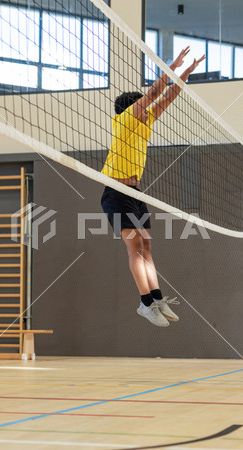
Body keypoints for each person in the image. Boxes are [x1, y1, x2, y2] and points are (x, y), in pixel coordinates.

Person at [101, 47, 206, 327]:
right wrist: (171, 66)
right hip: (115, 191)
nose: (149, 111)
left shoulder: (143, 125)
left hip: (134, 193)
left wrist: (186, 73)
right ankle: (145, 304)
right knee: (135, 247)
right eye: (143, 108)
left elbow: (168, 96)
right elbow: (154, 93)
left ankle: (156, 298)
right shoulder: (124, 120)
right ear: (132, 109)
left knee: (146, 244)